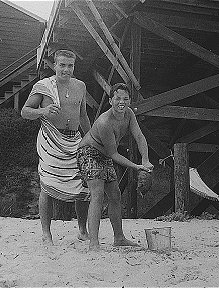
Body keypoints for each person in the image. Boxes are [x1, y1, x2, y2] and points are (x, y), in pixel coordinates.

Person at [21, 49, 91, 246]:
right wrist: (43, 110)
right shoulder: (43, 86)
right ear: (55, 65)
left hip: (74, 141)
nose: (66, 69)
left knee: (82, 186)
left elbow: (83, 115)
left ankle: (83, 230)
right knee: (48, 185)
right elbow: (25, 111)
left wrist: (92, 138)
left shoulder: (80, 86)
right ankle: (46, 233)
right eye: (62, 65)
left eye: (70, 66)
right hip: (50, 140)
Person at [77, 83, 153, 251]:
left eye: (125, 99)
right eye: (117, 98)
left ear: (129, 101)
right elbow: (114, 154)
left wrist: (146, 160)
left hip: (105, 155)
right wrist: (137, 166)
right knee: (97, 195)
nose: (121, 102)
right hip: (88, 152)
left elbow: (139, 136)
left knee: (115, 195)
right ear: (110, 100)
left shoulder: (129, 114)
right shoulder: (104, 122)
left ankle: (119, 238)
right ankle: (93, 242)